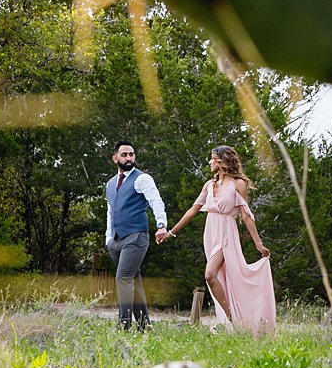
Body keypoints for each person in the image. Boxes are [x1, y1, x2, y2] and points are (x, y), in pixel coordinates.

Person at [163, 145, 276, 331]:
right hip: (210, 233)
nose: (210, 162)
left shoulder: (239, 184)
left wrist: (258, 243)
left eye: (213, 158)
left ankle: (233, 319)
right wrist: (171, 232)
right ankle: (234, 321)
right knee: (217, 278)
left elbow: (246, 216)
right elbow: (193, 211)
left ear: (222, 161)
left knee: (210, 275)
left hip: (226, 234)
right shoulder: (209, 185)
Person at [104, 140, 168, 330]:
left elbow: (156, 201)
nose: (129, 158)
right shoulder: (110, 184)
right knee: (134, 280)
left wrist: (161, 225)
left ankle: (124, 324)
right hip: (116, 240)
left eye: (131, 154)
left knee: (123, 277)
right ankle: (143, 325)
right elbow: (110, 211)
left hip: (136, 237)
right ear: (115, 158)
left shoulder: (142, 179)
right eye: (124, 155)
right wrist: (108, 238)